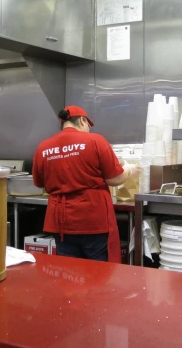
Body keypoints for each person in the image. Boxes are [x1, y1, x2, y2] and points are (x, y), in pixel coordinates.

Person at [32, 106, 139, 263]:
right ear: (82, 120)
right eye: (89, 124)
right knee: (99, 274)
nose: (89, 128)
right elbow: (114, 179)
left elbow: (38, 183)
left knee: (69, 273)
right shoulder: (95, 141)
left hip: (60, 222)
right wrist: (129, 170)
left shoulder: (43, 147)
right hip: (92, 219)